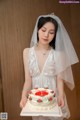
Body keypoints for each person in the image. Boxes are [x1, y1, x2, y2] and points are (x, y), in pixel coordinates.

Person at [20, 13, 79, 120]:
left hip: (53, 98)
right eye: (43, 30)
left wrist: (61, 95)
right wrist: (23, 96)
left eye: (51, 32)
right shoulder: (27, 52)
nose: (46, 35)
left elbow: (59, 80)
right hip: (37, 101)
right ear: (37, 30)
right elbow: (28, 80)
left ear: (55, 35)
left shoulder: (58, 54)